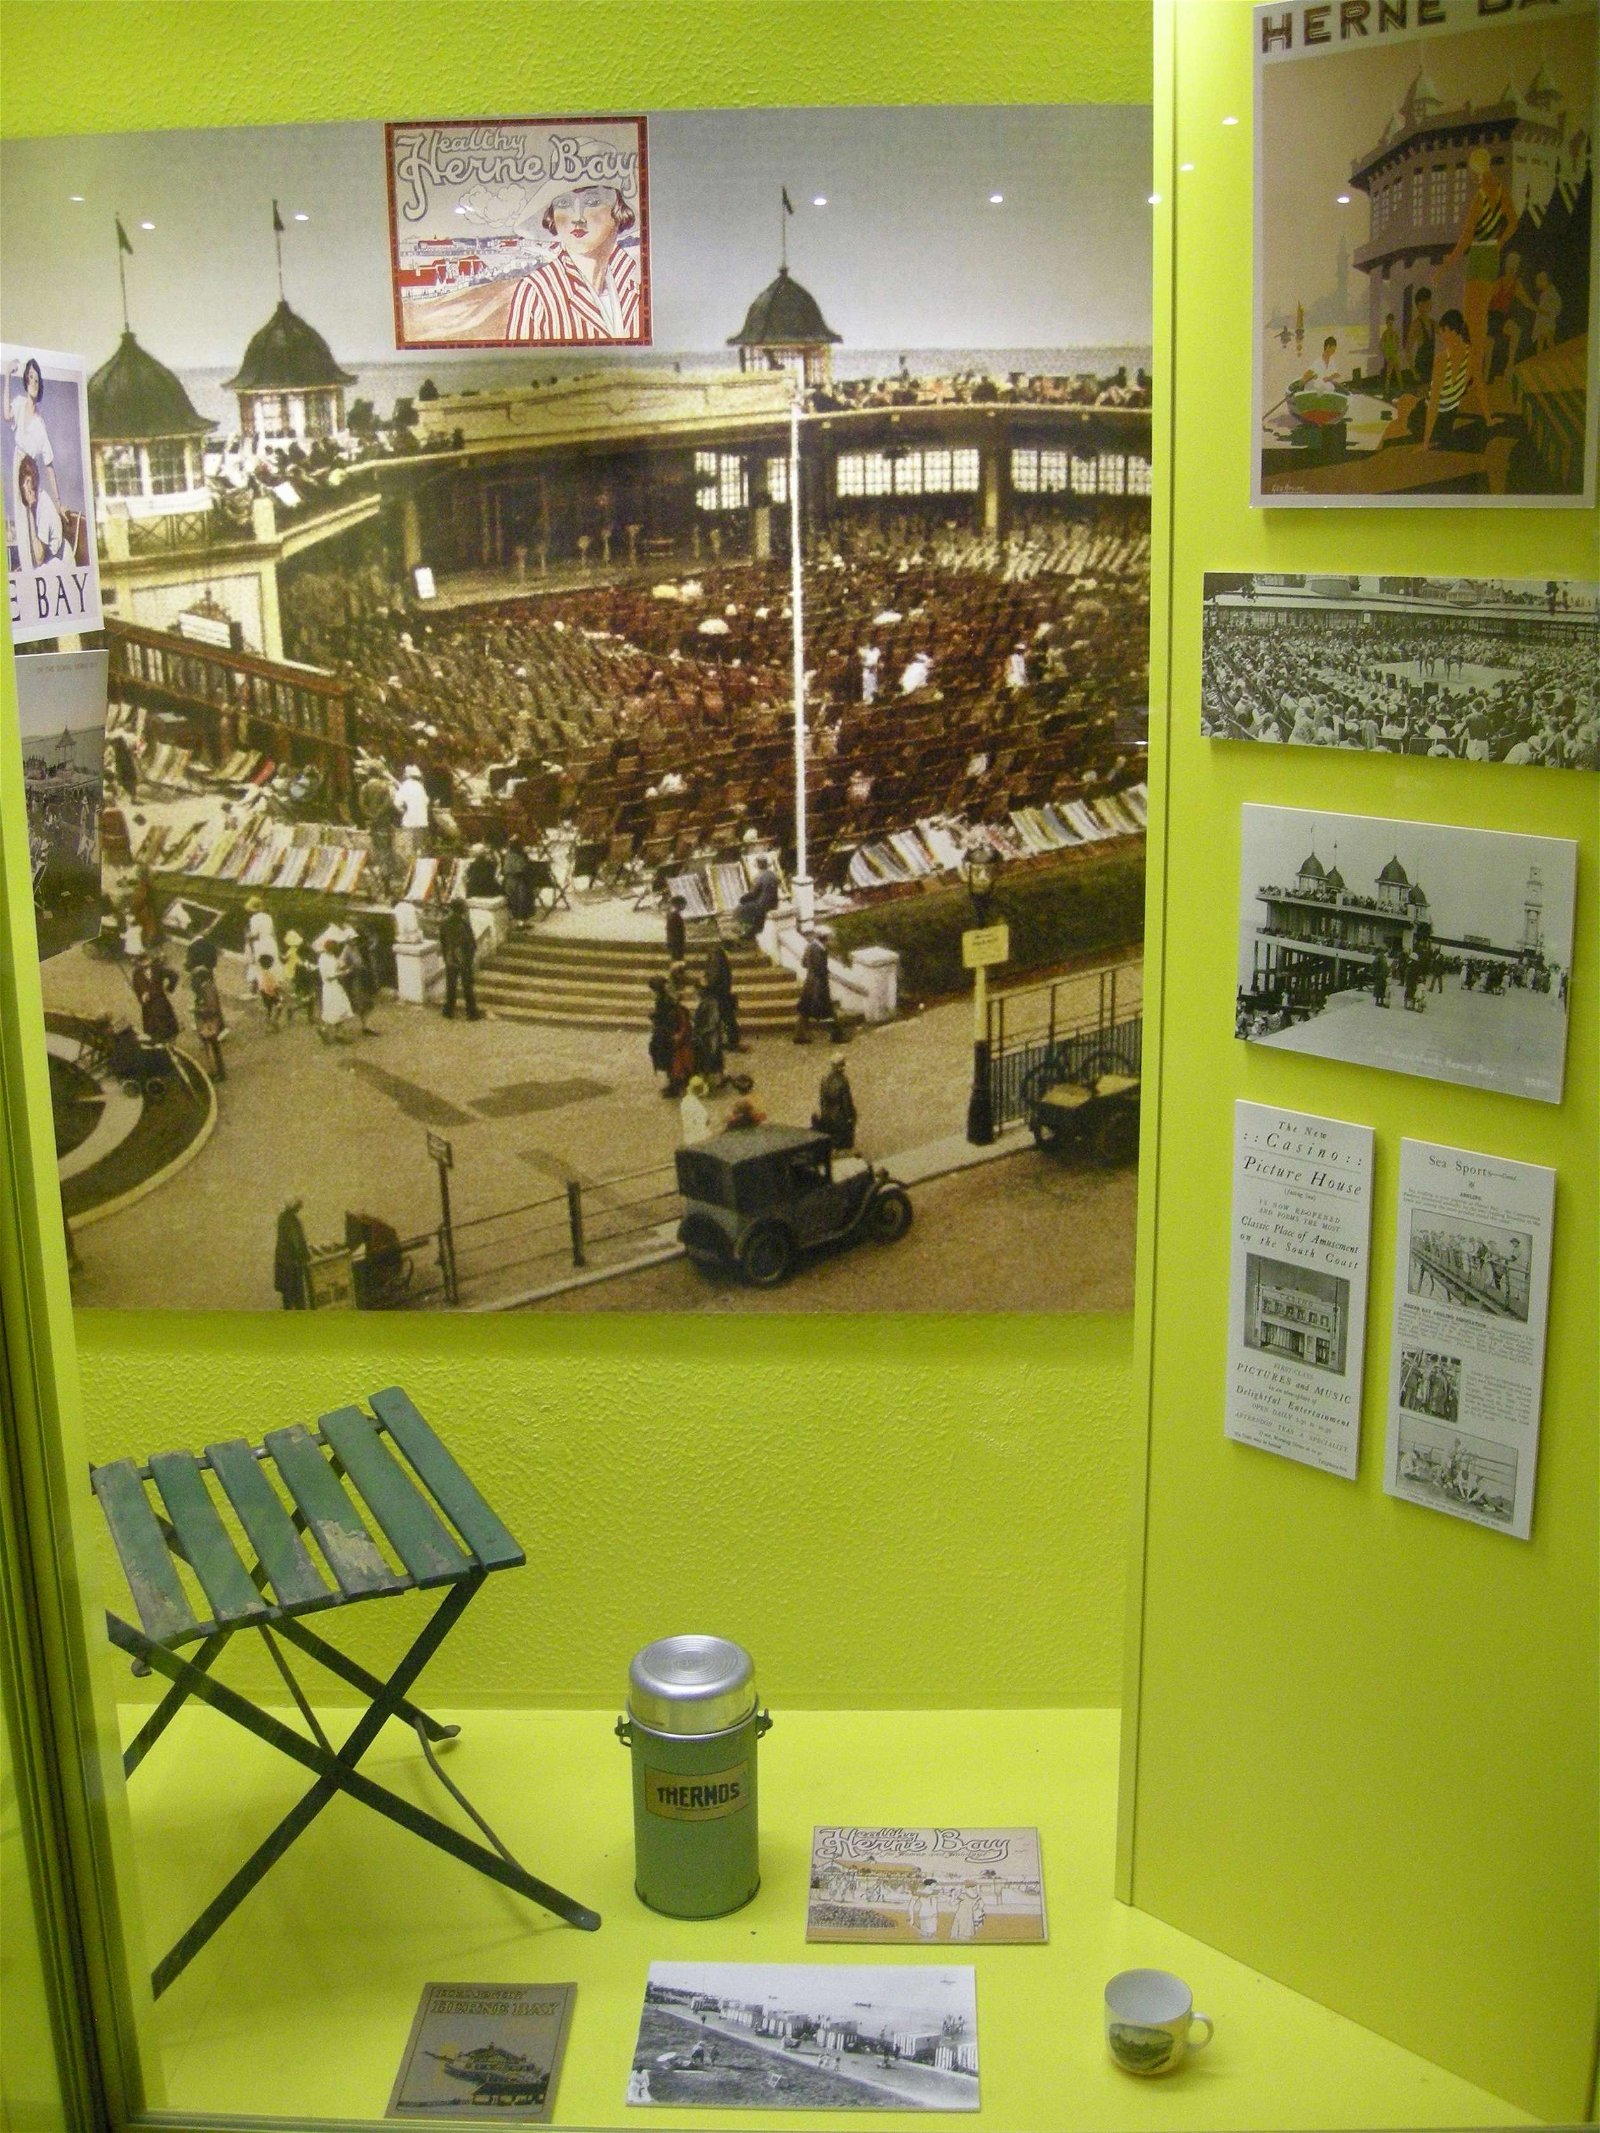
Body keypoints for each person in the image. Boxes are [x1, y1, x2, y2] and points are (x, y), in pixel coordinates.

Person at [506, 182, 642, 343]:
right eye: (564, 204)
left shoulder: (635, 290)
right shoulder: (537, 290)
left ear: (620, 211)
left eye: (593, 202)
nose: (578, 218)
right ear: (552, 216)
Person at [5, 355, 62, 549]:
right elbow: (6, 415)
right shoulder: (19, 403)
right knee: (21, 515)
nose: (33, 383)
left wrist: (59, 502)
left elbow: (49, 465)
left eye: (37, 379)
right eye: (30, 377)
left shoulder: (40, 424)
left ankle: (36, 559)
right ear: (25, 380)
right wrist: (6, 375)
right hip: (17, 465)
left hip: (31, 470)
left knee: (33, 514)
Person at [795, 925, 843, 1044]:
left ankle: (799, 1035)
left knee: (805, 1010)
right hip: (818, 984)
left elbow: (804, 963)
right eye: (829, 938)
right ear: (824, 938)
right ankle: (836, 1035)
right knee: (827, 1010)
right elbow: (819, 969)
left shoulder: (810, 946)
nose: (830, 940)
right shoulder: (819, 949)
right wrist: (825, 973)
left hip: (809, 982)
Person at [439, 897, 481, 1020]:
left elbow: (442, 942)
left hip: (450, 958)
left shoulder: (444, 923)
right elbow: (471, 943)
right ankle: (471, 1012)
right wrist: (470, 958)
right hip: (463, 958)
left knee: (451, 985)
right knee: (467, 986)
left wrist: (446, 956)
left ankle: (448, 1010)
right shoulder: (464, 924)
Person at [702, 939, 744, 1051]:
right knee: (726, 1017)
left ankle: (727, 1040)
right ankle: (731, 1041)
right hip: (720, 992)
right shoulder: (718, 956)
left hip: (719, 992)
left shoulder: (716, 955)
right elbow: (715, 975)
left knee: (724, 1017)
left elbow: (713, 975)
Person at [189, 960, 227, 1080]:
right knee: (213, 1047)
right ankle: (216, 1071)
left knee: (212, 1048)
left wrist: (196, 1010)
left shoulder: (207, 989)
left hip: (210, 1023)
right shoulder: (207, 987)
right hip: (209, 1022)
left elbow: (211, 1008)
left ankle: (218, 1072)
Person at [813, 1051, 857, 1152]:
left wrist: (824, 1112)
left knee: (831, 1134)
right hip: (839, 1114)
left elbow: (822, 1099)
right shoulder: (842, 1081)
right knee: (842, 1136)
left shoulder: (824, 1079)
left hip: (827, 1113)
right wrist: (850, 1117)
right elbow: (846, 1102)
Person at [131, 952, 179, 1044]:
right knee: (151, 1030)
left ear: (149, 960)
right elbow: (137, 988)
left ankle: (169, 1045)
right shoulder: (136, 973)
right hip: (147, 1006)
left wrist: (169, 988)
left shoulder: (158, 969)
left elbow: (174, 975)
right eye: (141, 962)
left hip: (160, 1002)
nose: (144, 963)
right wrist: (142, 997)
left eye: (146, 960)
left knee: (166, 1027)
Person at [316, 934, 356, 1041]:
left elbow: (336, 967)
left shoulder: (328, 957)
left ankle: (337, 1033)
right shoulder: (325, 959)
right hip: (331, 987)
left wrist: (341, 967)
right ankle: (326, 1030)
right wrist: (344, 973)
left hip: (334, 986)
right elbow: (329, 976)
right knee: (336, 1009)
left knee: (338, 1010)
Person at [274, 1199, 311, 1310]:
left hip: (285, 1265)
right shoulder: (292, 1221)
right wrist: (306, 1256)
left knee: (288, 1297)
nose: (300, 1208)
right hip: (292, 1266)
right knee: (297, 1297)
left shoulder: (283, 1218)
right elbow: (296, 1243)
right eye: (299, 1205)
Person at [393, 763, 430, 866]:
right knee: (421, 848)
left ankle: (410, 868)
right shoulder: (420, 787)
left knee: (410, 848)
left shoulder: (404, 786)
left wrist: (403, 811)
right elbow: (427, 801)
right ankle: (422, 868)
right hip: (422, 822)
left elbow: (397, 803)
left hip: (409, 822)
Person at [736, 856, 780, 940]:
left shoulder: (759, 877)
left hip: (762, 905)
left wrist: (742, 899)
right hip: (774, 904)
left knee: (741, 909)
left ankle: (747, 932)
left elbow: (753, 893)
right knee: (756, 911)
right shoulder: (772, 874)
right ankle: (755, 930)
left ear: (758, 866)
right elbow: (778, 881)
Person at [691, 986, 725, 1087]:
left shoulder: (710, 1003)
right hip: (707, 1034)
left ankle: (708, 1079)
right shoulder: (707, 1002)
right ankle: (716, 1078)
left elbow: (712, 1021)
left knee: (708, 1056)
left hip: (709, 1035)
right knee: (712, 1057)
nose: (696, 994)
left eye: (697, 991)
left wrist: (702, 1031)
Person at [664, 892, 688, 965]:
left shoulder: (672, 914)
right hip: (676, 942)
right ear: (678, 905)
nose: (685, 906)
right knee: (677, 960)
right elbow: (671, 930)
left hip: (675, 942)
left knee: (676, 960)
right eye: (684, 904)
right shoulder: (674, 916)